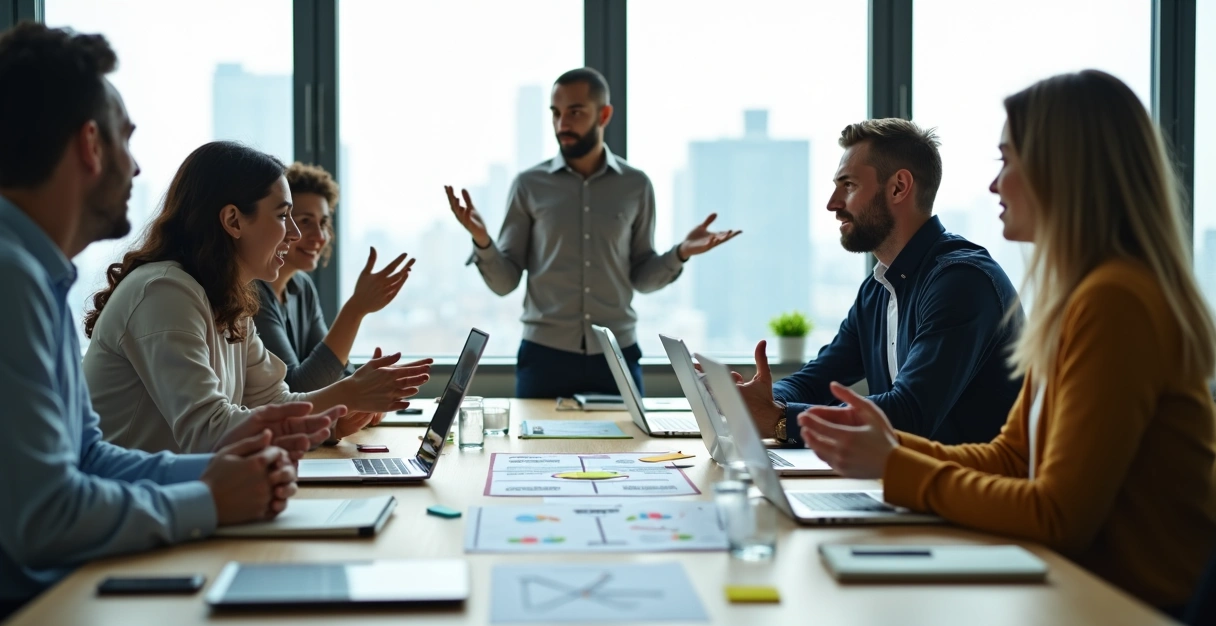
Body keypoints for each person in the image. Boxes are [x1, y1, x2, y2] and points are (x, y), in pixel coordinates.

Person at [799, 70, 1216, 611]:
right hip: (1078, 593)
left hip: (1126, 613)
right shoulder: (1082, 297)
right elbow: (1013, 456)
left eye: (1007, 160)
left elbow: (1057, 514)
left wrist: (895, 464)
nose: (995, 185)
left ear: (1063, 171)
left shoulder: (1117, 300)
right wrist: (891, 447)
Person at [0, 23, 341, 619]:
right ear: (90, 145)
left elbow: (90, 458)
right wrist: (209, 499)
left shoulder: (38, 275)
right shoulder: (13, 279)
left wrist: (224, 474)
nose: (135, 169)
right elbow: (45, 519)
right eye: (126, 141)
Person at [82, 141, 432, 454]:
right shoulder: (164, 293)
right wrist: (346, 393)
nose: (294, 234)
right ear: (233, 221)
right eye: (283, 216)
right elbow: (208, 432)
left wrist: (334, 424)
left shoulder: (229, 299)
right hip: (134, 498)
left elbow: (274, 400)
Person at [445, 67, 740, 398]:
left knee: (631, 436)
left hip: (617, 355)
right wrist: (483, 241)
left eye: (575, 112)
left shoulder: (636, 185)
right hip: (544, 358)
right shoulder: (529, 185)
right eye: (556, 113)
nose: (562, 124)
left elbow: (642, 277)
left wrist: (681, 253)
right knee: (533, 436)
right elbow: (505, 283)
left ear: (604, 114)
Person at [724, 118, 1023, 445]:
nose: (832, 204)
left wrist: (782, 420)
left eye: (849, 185)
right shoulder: (877, 289)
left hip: (972, 477)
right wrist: (759, 401)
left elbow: (910, 413)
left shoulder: (961, 282)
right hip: (908, 473)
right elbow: (818, 379)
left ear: (898, 187)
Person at [253, 162, 412, 435]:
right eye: (305, 221)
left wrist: (370, 394)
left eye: (324, 223)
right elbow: (297, 389)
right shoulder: (253, 294)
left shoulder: (302, 287)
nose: (319, 236)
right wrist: (355, 309)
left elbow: (334, 375)